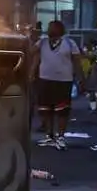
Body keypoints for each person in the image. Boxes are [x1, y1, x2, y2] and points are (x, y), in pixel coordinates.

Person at [30, 20, 84, 150]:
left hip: (64, 81)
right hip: (45, 80)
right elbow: (32, 54)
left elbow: (77, 62)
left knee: (62, 110)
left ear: (59, 29)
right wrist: (31, 73)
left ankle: (61, 137)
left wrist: (81, 79)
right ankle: (49, 136)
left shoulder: (70, 43)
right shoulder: (42, 42)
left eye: (51, 27)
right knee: (45, 110)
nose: (48, 29)